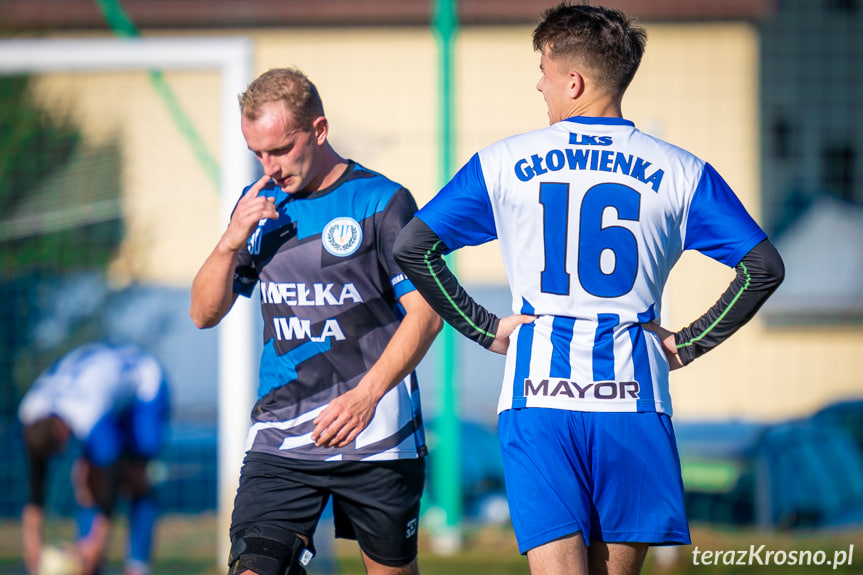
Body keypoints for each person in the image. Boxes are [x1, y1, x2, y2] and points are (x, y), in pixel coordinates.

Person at [393, 3, 785, 574]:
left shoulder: (503, 162)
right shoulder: (681, 170)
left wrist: (484, 328)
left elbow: (413, 248)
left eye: (545, 71)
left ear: (573, 81)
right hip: (635, 400)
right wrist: (688, 344)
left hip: (538, 399)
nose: (539, 84)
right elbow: (763, 268)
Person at [189, 67, 441, 575]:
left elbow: (427, 315)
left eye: (280, 149)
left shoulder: (381, 202)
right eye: (257, 153)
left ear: (319, 130)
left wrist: (365, 396)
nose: (270, 166)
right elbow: (202, 314)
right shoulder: (258, 206)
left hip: (376, 436)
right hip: (283, 435)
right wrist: (228, 242)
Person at [19, 341, 170, 575]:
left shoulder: (88, 414)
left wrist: (97, 542)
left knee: (134, 479)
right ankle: (88, 565)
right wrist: (32, 543)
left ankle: (136, 565)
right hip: (106, 387)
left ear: (61, 431)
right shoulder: (31, 411)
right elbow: (35, 478)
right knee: (87, 477)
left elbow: (111, 471)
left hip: (143, 384)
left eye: (60, 448)